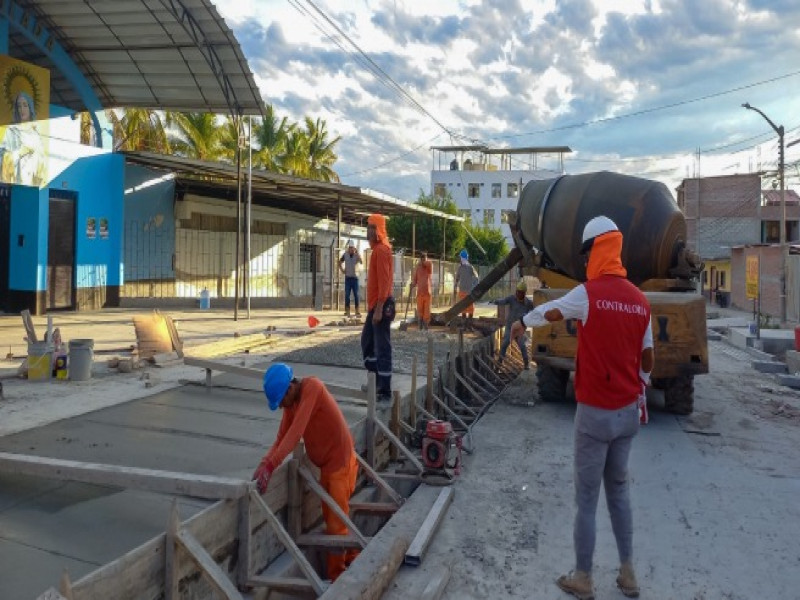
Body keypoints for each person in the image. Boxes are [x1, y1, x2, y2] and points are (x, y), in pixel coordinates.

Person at [510, 216, 653, 600]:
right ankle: (628, 574)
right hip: (626, 414)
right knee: (619, 492)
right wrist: (638, 386)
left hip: (594, 415)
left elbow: (553, 311)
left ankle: (584, 578)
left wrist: (522, 322)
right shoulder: (640, 301)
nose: (587, 260)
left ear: (599, 250)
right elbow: (648, 359)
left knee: (587, 500)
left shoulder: (590, 294)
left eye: (588, 253)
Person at [253, 363, 359, 581]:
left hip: (340, 465)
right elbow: (281, 438)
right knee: (335, 519)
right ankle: (354, 560)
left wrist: (272, 465)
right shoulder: (292, 404)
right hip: (328, 467)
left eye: (281, 402)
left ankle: (338, 578)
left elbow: (295, 434)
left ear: (289, 389)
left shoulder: (313, 389)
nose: (281, 408)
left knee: (336, 526)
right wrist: (264, 464)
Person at [361, 213, 395, 402]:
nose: (368, 231)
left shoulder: (381, 250)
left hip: (382, 305)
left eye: (371, 227)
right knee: (368, 342)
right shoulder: (378, 250)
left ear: (378, 230)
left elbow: (384, 281)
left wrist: (380, 307)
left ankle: (384, 390)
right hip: (376, 305)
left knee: (382, 347)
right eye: (368, 227)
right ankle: (375, 382)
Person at [0, 91, 46, 186]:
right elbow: (2, 156)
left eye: (25, 105)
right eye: (19, 106)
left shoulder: (35, 133)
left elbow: (42, 160)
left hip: (32, 181)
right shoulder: (12, 130)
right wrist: (19, 152)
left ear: (30, 108)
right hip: (16, 180)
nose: (22, 109)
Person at [492, 280, 534, 369]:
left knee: (522, 346)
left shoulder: (528, 303)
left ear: (524, 293)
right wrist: (495, 301)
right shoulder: (512, 299)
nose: (518, 294)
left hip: (519, 329)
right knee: (504, 345)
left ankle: (526, 364)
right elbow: (503, 301)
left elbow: (535, 309)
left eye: (520, 292)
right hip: (510, 327)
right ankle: (499, 364)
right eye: (517, 292)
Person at [339, 240, 363, 317]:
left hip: (355, 279)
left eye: (352, 248)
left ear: (354, 248)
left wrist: (358, 253)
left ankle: (357, 311)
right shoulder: (345, 255)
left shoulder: (356, 255)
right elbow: (340, 262)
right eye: (350, 248)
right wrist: (342, 270)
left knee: (356, 295)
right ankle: (347, 311)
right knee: (347, 295)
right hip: (348, 278)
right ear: (348, 248)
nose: (351, 249)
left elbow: (361, 262)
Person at [410, 251, 433, 330]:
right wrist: (412, 284)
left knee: (427, 311)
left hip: (427, 293)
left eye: (424, 259)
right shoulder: (417, 268)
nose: (423, 261)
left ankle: (426, 327)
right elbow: (415, 280)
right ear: (420, 259)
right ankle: (420, 327)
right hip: (420, 293)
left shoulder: (429, 266)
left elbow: (429, 264)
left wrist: (423, 262)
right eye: (422, 259)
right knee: (420, 311)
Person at [454, 249, 479, 319]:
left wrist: (474, 285)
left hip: (469, 291)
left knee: (470, 307)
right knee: (463, 307)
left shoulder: (470, 267)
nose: (460, 259)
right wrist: (455, 286)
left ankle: (469, 321)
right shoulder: (460, 268)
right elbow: (457, 278)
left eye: (460, 257)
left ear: (463, 258)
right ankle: (464, 321)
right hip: (463, 290)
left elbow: (476, 276)